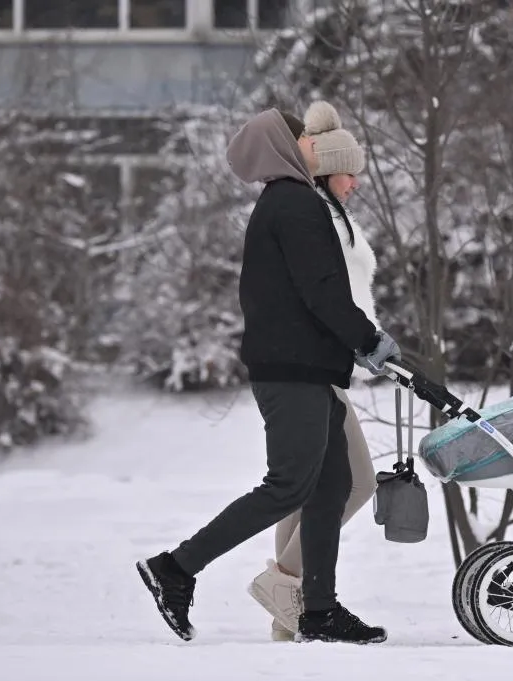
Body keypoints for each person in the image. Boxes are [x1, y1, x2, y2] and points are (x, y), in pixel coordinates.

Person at [135, 105, 401, 645]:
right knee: (289, 485)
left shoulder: (287, 202)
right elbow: (322, 290)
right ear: (285, 148)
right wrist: (368, 339)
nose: (312, 147)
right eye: (303, 141)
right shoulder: (295, 204)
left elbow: (312, 292)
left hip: (307, 366)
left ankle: (319, 610)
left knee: (332, 486)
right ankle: (175, 567)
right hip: (292, 370)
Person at [244, 101, 382, 642]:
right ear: (326, 170)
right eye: (349, 172)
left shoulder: (320, 212)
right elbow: (321, 294)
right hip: (312, 363)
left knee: (313, 489)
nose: (355, 183)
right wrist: (365, 340)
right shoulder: (309, 212)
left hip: (325, 360)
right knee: (351, 482)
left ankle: (291, 608)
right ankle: (284, 585)